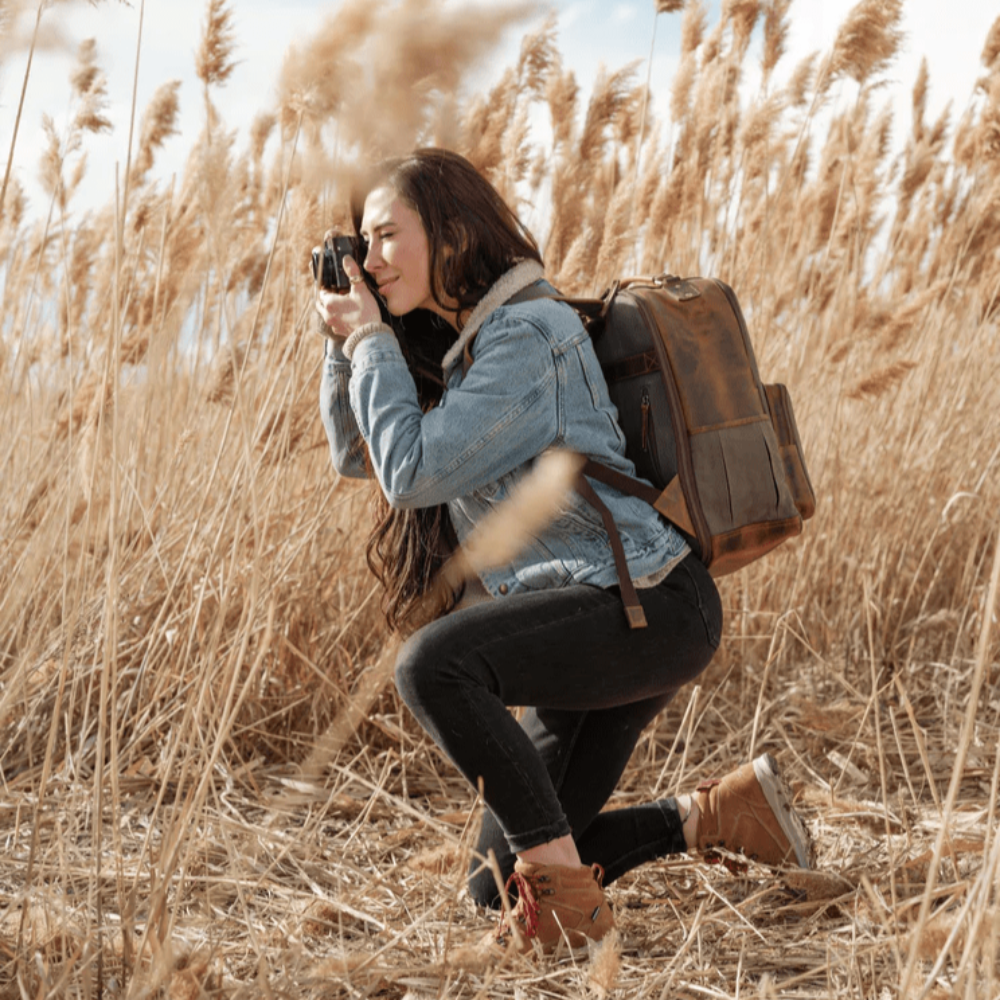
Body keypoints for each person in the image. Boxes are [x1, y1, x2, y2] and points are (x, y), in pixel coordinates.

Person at [316, 148, 812, 956]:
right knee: (491, 887)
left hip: (644, 602)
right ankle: (720, 816)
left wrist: (371, 342)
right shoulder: (458, 350)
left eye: (384, 237)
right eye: (359, 245)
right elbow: (360, 455)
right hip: (589, 615)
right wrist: (347, 342)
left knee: (432, 667)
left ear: (447, 231)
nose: (368, 261)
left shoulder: (525, 337)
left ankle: (571, 927)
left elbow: (411, 473)